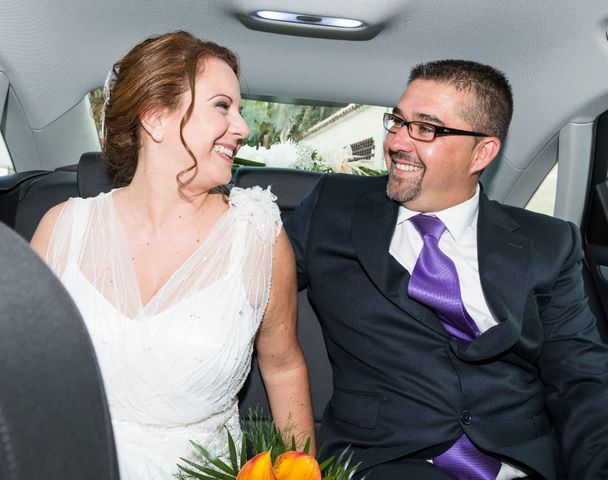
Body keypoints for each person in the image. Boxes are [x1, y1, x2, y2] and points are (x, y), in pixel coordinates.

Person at [285, 59, 608, 479]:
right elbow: (243, 290)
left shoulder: (548, 243)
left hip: (520, 466)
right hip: (384, 462)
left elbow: (583, 383)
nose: (398, 141)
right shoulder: (333, 209)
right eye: (397, 121)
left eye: (426, 128)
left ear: (483, 152)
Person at [31, 31, 315, 480]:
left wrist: (300, 472)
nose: (241, 127)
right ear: (155, 118)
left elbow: (282, 366)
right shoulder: (61, 229)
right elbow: (24, 369)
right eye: (223, 106)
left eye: (239, 110)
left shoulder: (258, 237)